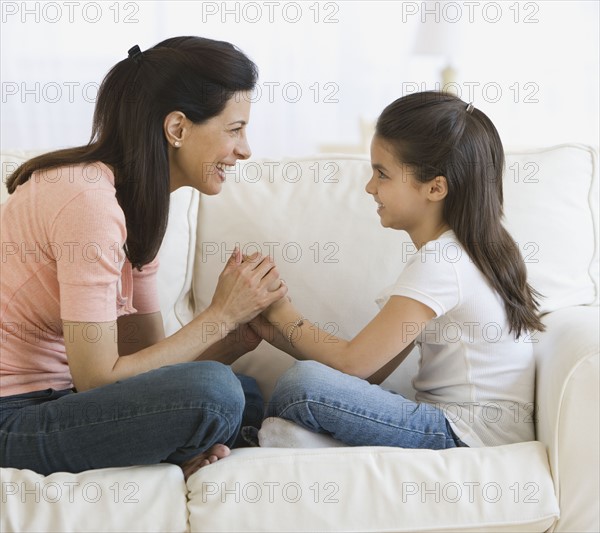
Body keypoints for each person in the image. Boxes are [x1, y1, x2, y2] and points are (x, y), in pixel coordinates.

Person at [0, 36, 287, 479]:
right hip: (11, 417)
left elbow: (145, 361)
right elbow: (98, 378)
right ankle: (178, 445)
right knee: (215, 393)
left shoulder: (137, 205)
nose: (245, 149)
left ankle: (176, 444)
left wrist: (232, 338)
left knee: (242, 392)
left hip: (61, 399)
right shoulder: (86, 200)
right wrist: (219, 315)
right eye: (234, 129)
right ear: (177, 129)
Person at [251, 91, 545, 449]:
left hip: (464, 436)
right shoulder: (467, 251)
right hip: (466, 430)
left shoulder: (443, 262)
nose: (370, 187)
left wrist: (283, 311)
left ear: (435, 187)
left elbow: (353, 364)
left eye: (382, 174)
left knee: (303, 384)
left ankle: (258, 438)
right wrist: (274, 330)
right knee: (304, 386)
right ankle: (285, 438)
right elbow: (373, 370)